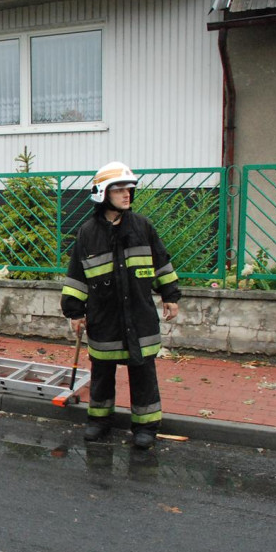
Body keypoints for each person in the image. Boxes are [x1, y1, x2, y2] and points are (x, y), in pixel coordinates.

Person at [61, 162, 180, 450]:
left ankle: (146, 427)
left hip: (139, 316)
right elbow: (77, 276)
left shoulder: (142, 227)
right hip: (105, 318)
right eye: (120, 189)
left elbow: (161, 261)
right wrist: (74, 312)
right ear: (103, 193)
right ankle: (99, 421)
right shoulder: (88, 233)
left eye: (129, 189)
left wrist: (170, 295)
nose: (127, 194)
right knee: (102, 372)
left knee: (143, 374)